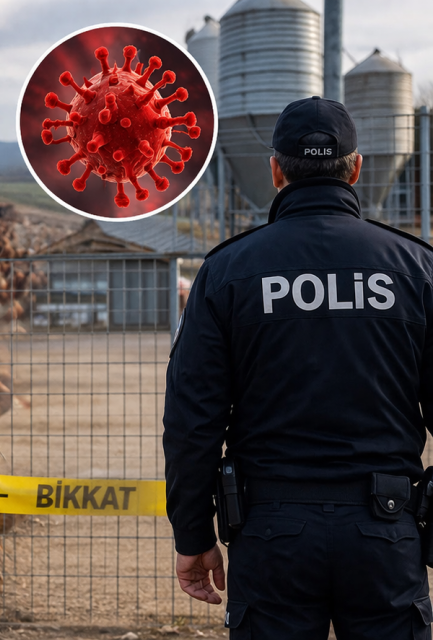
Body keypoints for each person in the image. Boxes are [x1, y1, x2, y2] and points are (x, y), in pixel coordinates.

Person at [163, 95, 433, 638]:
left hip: (270, 535)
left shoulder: (228, 272)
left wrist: (193, 536)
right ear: (355, 169)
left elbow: (193, 419)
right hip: (387, 530)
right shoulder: (415, 268)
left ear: (275, 171)